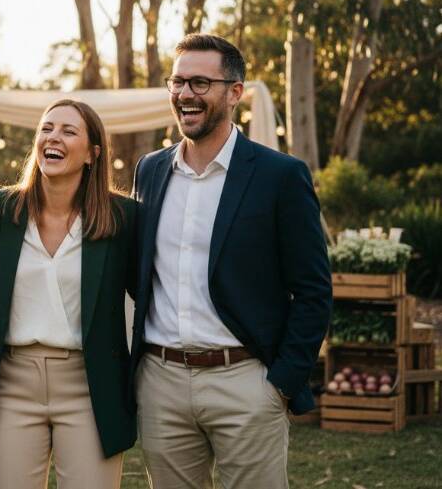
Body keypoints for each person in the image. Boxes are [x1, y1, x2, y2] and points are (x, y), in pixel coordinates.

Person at [129, 33, 332, 488]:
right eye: (178, 82)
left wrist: (281, 382)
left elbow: (313, 290)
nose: (185, 94)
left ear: (234, 92)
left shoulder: (281, 175)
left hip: (246, 382)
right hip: (161, 383)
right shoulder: (150, 170)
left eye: (200, 83)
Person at [0, 99, 137, 489]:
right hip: (12, 383)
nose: (53, 137)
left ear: (93, 154)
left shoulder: (123, 217)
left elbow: (147, 294)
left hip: (90, 385)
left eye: (68, 131)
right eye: (46, 128)